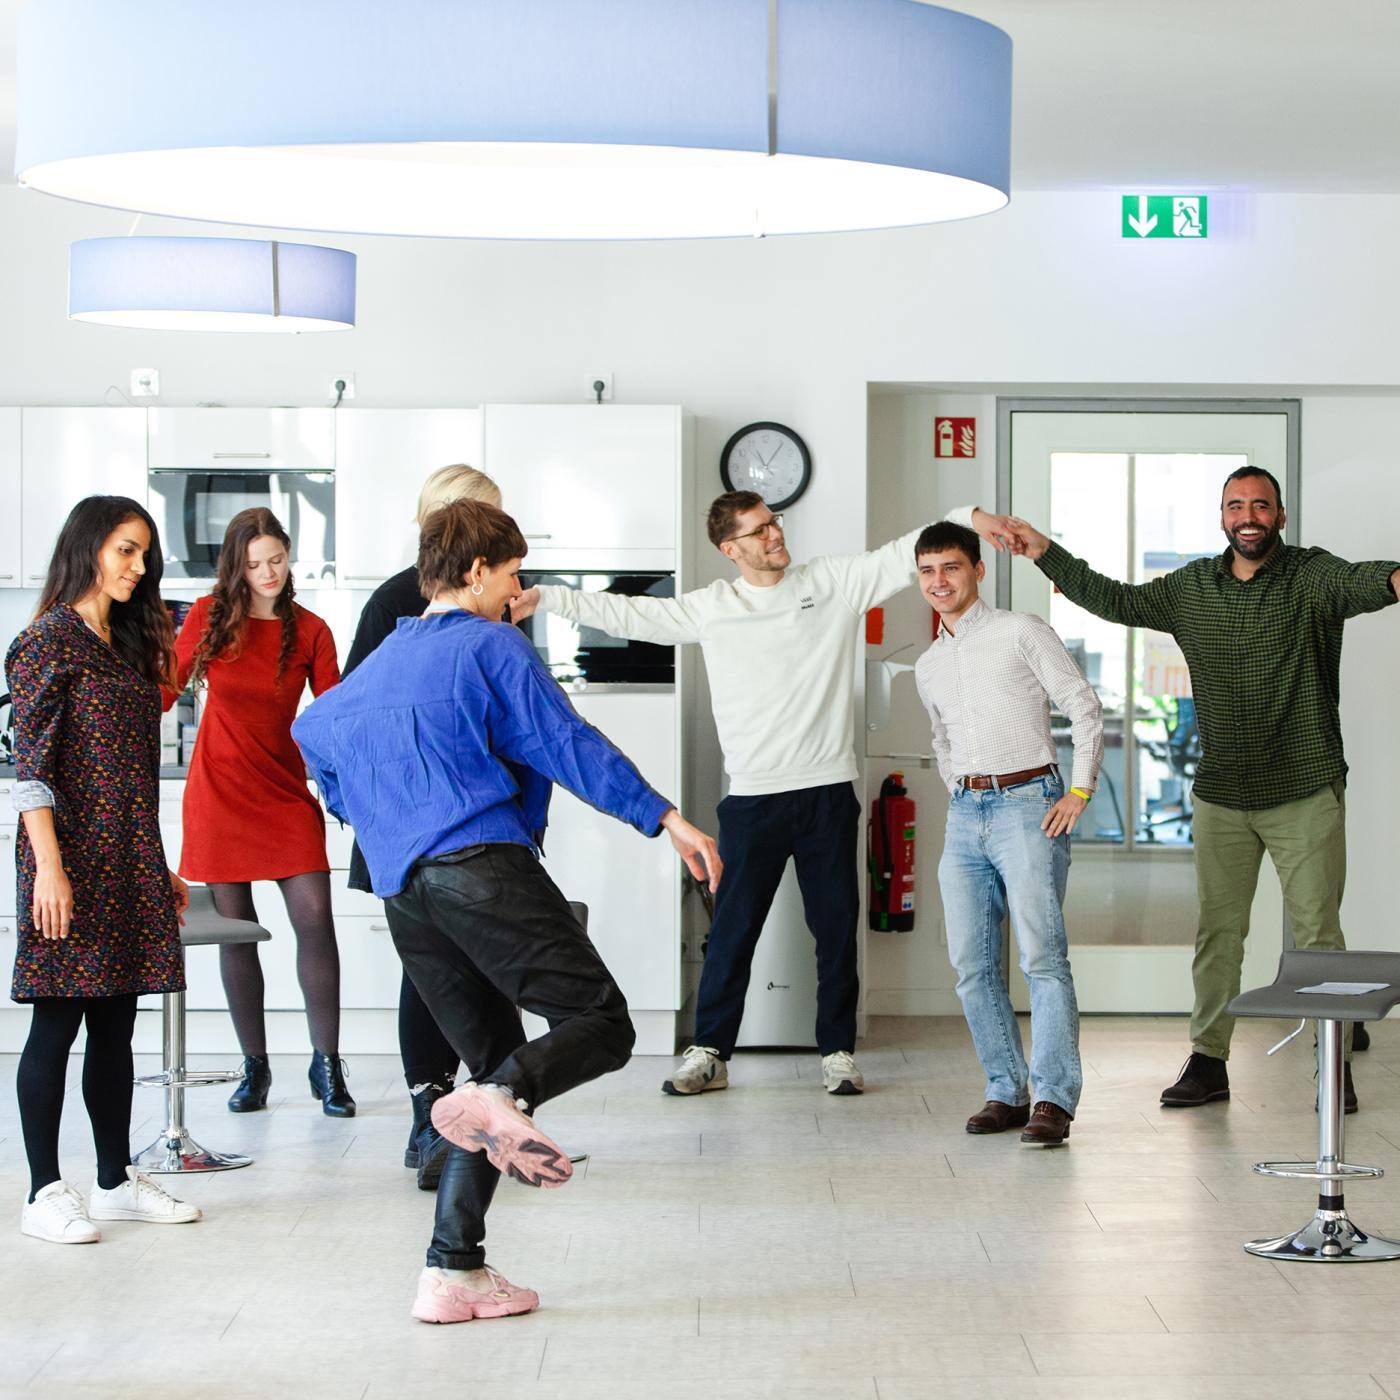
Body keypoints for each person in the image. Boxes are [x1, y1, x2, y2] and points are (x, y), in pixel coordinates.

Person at [291, 498, 720, 1323]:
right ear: (479, 570)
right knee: (602, 1021)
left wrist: (378, 816)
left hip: (405, 891)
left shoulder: (375, 667)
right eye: (514, 574)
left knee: (491, 1065)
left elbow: (318, 736)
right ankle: (496, 1106)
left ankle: (453, 1269)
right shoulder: (492, 645)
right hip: (479, 863)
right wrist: (662, 815)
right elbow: (566, 741)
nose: (518, 591)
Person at [959, 470, 1400, 1111]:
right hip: (1222, 792)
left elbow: (1370, 580)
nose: (1248, 515)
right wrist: (1044, 551)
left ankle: (1331, 1063)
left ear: (1279, 515)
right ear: (1223, 517)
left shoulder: (1312, 576)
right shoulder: (1193, 587)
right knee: (1219, 933)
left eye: (1260, 505)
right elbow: (1117, 600)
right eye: (1235, 505)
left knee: (1317, 935)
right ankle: (1209, 1060)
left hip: (1303, 787)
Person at [513, 492, 936, 1098]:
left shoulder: (833, 583)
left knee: (837, 930)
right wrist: (549, 595)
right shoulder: (714, 608)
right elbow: (631, 615)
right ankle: (710, 1053)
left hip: (826, 791)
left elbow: (903, 554)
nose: (775, 535)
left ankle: (838, 1052)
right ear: (730, 548)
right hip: (753, 799)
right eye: (760, 530)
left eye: (775, 524)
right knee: (733, 932)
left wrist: (972, 518)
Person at [8, 496, 201, 1243]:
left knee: (116, 1026)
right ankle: (42, 1192)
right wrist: (48, 871)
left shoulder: (118, 643)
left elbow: (129, 774)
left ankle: (114, 1179)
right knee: (56, 1024)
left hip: (127, 860)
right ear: (89, 547)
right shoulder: (45, 643)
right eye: (126, 549)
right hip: (68, 862)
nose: (139, 566)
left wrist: (159, 868)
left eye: (145, 554)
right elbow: (31, 773)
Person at [913, 521, 1102, 1147]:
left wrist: (1079, 789)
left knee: (1042, 956)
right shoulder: (929, 664)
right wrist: (963, 792)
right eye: (928, 571)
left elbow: (1082, 703)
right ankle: (1005, 1090)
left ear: (977, 571)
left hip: (1030, 804)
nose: (940, 582)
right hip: (966, 814)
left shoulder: (1021, 631)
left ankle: (1053, 1098)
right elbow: (942, 741)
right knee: (971, 963)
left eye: (951, 568)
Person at [344, 464, 501, 1188]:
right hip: (409, 825)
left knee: (487, 965)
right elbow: (354, 716)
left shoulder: (494, 597)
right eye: (483, 518)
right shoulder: (393, 603)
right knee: (430, 970)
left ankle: (487, 1109)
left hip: (479, 820)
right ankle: (427, 1112)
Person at [169, 507, 350, 1116]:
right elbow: (164, 687)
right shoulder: (209, 617)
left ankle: (327, 1067)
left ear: (289, 555)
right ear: (235, 568)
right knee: (237, 934)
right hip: (219, 794)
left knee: (315, 917)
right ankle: (256, 1069)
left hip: (284, 794)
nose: (268, 572)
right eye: (254, 564)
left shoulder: (313, 629)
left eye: (276, 559)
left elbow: (334, 713)